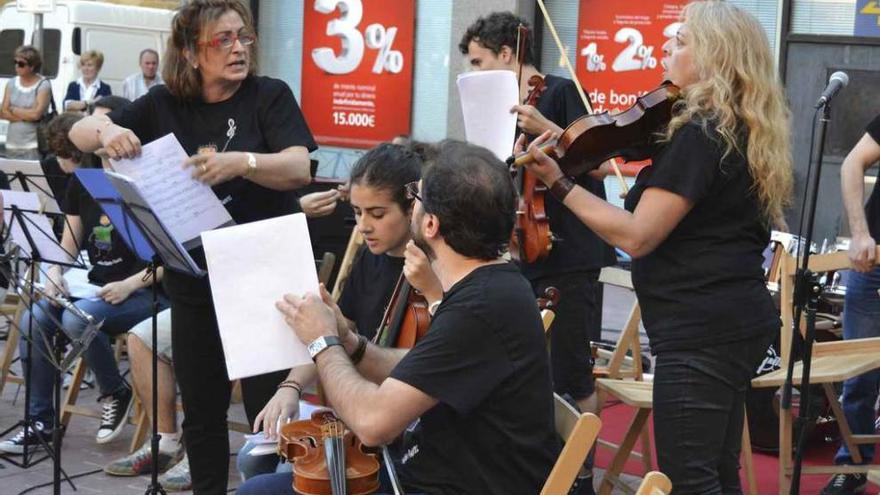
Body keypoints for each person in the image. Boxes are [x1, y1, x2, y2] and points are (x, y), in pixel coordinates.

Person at [518, 2, 793, 492]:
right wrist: (562, 139)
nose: (668, 46)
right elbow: (609, 147)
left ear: (717, 57)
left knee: (688, 478)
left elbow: (636, 235)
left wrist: (559, 183)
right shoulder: (735, 129)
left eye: (683, 40)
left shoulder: (700, 136)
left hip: (701, 328)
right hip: (730, 321)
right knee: (716, 470)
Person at [68, 2, 316, 492]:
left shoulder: (269, 95)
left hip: (265, 275)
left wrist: (241, 163)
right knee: (201, 412)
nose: (239, 48)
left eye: (243, 37)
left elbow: (298, 167)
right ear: (189, 51)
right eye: (222, 40)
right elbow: (78, 132)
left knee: (269, 419)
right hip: (194, 274)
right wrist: (111, 130)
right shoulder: (162, 103)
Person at [239, 140, 560, 495]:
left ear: (431, 224)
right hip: (430, 470)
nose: (411, 208)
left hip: (452, 485)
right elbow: (422, 369)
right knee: (264, 474)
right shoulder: (488, 286)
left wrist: (322, 341)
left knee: (259, 490)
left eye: (416, 198)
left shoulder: (480, 307)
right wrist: (349, 341)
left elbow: (373, 424)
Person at [459, 13, 614, 491]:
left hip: (571, 251)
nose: (475, 72)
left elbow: (605, 166)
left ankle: (583, 477)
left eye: (480, 61)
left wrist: (548, 125)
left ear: (508, 55)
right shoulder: (496, 107)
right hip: (524, 249)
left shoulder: (560, 92)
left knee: (573, 372)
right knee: (531, 372)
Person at [237, 142, 440, 480]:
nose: (363, 226)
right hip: (352, 410)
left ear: (413, 211)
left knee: (261, 475)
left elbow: (421, 371)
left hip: (393, 427)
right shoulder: (370, 258)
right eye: (358, 212)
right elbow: (329, 331)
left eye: (377, 214)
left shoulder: (430, 274)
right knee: (251, 457)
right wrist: (290, 386)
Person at [0, 111, 169, 454]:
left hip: (149, 291)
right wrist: (54, 274)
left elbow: (170, 258)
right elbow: (69, 244)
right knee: (34, 319)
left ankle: (115, 392)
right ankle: (42, 423)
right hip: (98, 290)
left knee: (79, 318)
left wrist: (130, 285)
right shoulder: (85, 180)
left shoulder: (147, 182)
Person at [819, 116, 880, 494]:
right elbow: (852, 162)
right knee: (859, 374)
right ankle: (853, 465)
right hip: (873, 263)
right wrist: (860, 233)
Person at [1, 45, 52, 160]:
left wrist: (13, 109)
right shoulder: (11, 83)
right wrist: (26, 115)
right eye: (15, 62)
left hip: (33, 144)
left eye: (21, 64)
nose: (16, 66)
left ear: (32, 66)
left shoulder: (43, 85)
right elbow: (2, 112)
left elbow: (36, 115)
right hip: (12, 141)